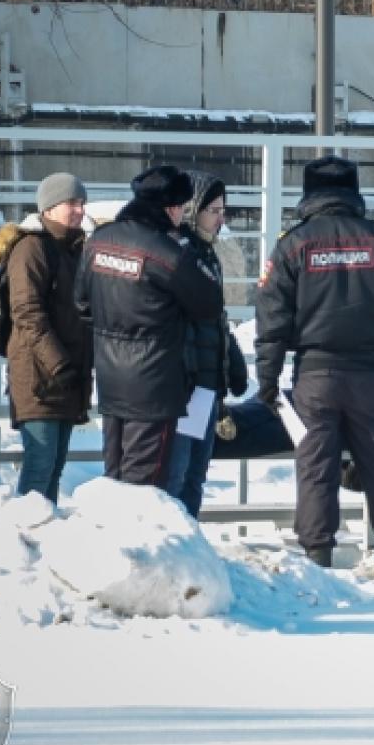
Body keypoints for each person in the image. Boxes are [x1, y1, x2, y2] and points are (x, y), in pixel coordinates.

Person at [254, 156, 374, 567]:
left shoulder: (293, 244)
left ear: (310, 194)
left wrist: (268, 380)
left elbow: (272, 320)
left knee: (316, 467)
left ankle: (318, 555)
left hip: (315, 374)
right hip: (369, 374)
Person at [75, 166, 224, 489]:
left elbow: (82, 304)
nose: (183, 216)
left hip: (112, 380)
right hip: (156, 384)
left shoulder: (99, 241)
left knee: (115, 474)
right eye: (183, 209)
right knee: (146, 485)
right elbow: (209, 304)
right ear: (170, 208)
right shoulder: (167, 252)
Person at [0, 172, 93, 503]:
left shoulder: (73, 250)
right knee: (40, 466)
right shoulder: (32, 248)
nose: (78, 210)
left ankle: (43, 545)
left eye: (81, 203)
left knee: (55, 466)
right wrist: (59, 364)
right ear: (48, 208)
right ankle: (22, 541)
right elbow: (27, 312)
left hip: (65, 377)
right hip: (40, 378)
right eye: (70, 203)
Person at [164, 171, 248, 518]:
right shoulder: (178, 253)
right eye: (213, 210)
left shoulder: (208, 255)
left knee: (196, 476)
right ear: (193, 209)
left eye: (222, 210)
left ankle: (193, 549)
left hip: (209, 385)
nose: (220, 218)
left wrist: (230, 363)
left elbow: (215, 319)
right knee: (176, 476)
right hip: (186, 385)